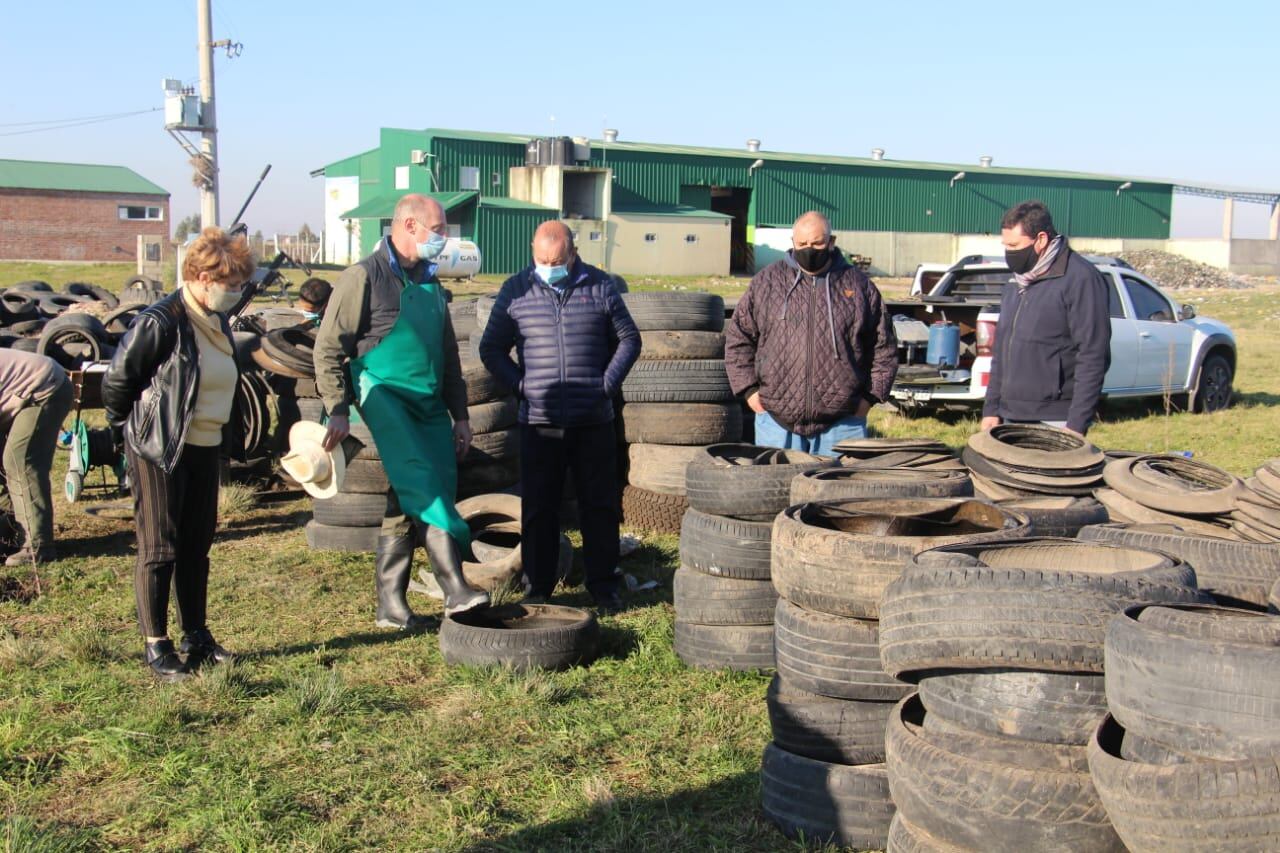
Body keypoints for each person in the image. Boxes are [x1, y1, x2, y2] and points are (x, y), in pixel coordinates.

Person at [313, 194, 488, 627]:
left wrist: (461, 415)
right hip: (383, 394)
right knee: (422, 483)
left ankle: (391, 606)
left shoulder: (431, 281)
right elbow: (329, 349)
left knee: (419, 488)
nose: (445, 239)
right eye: (440, 230)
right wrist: (337, 407)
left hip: (427, 401)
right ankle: (455, 589)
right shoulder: (363, 278)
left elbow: (446, 353)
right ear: (410, 226)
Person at [102, 227, 252, 681]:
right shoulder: (160, 321)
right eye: (232, 284)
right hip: (159, 449)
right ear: (203, 278)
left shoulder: (216, 319)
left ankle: (197, 637)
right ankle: (156, 645)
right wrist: (129, 435)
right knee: (159, 546)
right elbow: (117, 382)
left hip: (205, 446)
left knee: (196, 546)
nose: (238, 293)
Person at [479, 221, 639, 613]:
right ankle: (539, 586)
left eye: (557, 260)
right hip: (539, 421)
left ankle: (603, 585)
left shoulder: (601, 286)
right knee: (539, 508)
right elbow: (491, 348)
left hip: (593, 419)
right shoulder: (516, 289)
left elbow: (629, 339)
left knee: (598, 506)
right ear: (532, 252)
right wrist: (522, 386)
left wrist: (605, 385)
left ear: (572, 253)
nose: (549, 266)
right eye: (541, 260)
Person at [725, 210, 897, 456]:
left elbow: (884, 349)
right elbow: (739, 340)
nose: (809, 250)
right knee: (776, 492)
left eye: (817, 243)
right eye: (802, 244)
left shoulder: (859, 286)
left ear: (831, 242)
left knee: (838, 493)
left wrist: (869, 399)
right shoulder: (766, 283)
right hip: (776, 420)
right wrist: (750, 393)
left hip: (843, 421)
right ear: (793, 242)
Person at [980, 201, 1111, 436]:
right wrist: (992, 407)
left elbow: (1093, 354)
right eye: (1006, 245)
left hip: (1056, 419)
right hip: (1009, 415)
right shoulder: (1016, 282)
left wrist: (1077, 423)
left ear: (1040, 240)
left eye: (1014, 245)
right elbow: (1001, 350)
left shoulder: (1081, 279)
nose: (1009, 253)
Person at [0, 350, 73, 565]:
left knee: (20, 460)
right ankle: (12, 529)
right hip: (23, 391)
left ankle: (37, 546)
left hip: (44, 388)